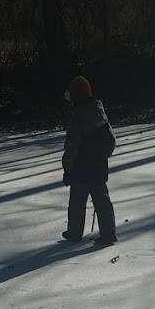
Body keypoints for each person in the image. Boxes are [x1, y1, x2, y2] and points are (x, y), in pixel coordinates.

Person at [60, 76, 118, 247]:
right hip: (98, 166)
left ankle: (75, 233)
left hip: (81, 168)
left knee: (77, 202)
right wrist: (101, 157)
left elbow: (72, 146)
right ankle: (108, 234)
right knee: (102, 200)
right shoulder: (99, 112)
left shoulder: (78, 116)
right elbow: (111, 140)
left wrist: (68, 169)